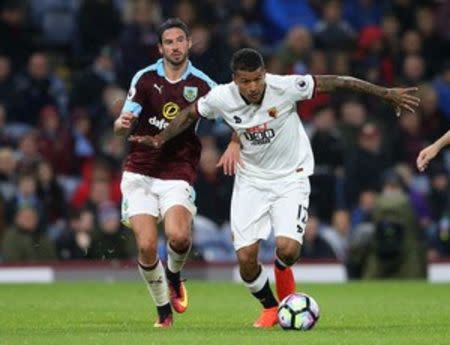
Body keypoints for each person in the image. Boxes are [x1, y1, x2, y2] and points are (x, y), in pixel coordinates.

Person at [129, 48, 420, 328]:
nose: (253, 87)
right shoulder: (221, 97)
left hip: (290, 177)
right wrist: (160, 138)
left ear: (265, 74)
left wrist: (385, 93)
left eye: (258, 79)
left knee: (288, 250)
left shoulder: (286, 87)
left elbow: (339, 81)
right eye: (246, 81)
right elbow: (190, 113)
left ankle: (284, 281)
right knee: (245, 261)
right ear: (235, 80)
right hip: (251, 181)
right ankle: (271, 306)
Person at [113, 18, 216, 328]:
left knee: (179, 237)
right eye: (168, 42)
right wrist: (121, 126)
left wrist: (235, 143)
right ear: (160, 48)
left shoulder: (203, 85)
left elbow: (233, 115)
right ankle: (163, 312)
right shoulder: (145, 79)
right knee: (145, 245)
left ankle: (173, 275)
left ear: (189, 43)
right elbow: (123, 122)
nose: (175, 46)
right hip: (140, 171)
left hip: (178, 171)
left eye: (180, 40)